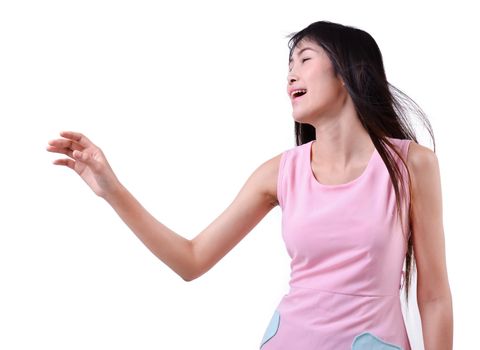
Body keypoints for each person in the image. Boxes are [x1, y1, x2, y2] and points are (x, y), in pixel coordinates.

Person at [46, 20, 453, 350]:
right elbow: (192, 259)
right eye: (289, 66)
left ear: (350, 72)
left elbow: (433, 297)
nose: (290, 74)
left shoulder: (411, 165)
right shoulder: (278, 173)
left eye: (304, 59)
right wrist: (112, 189)